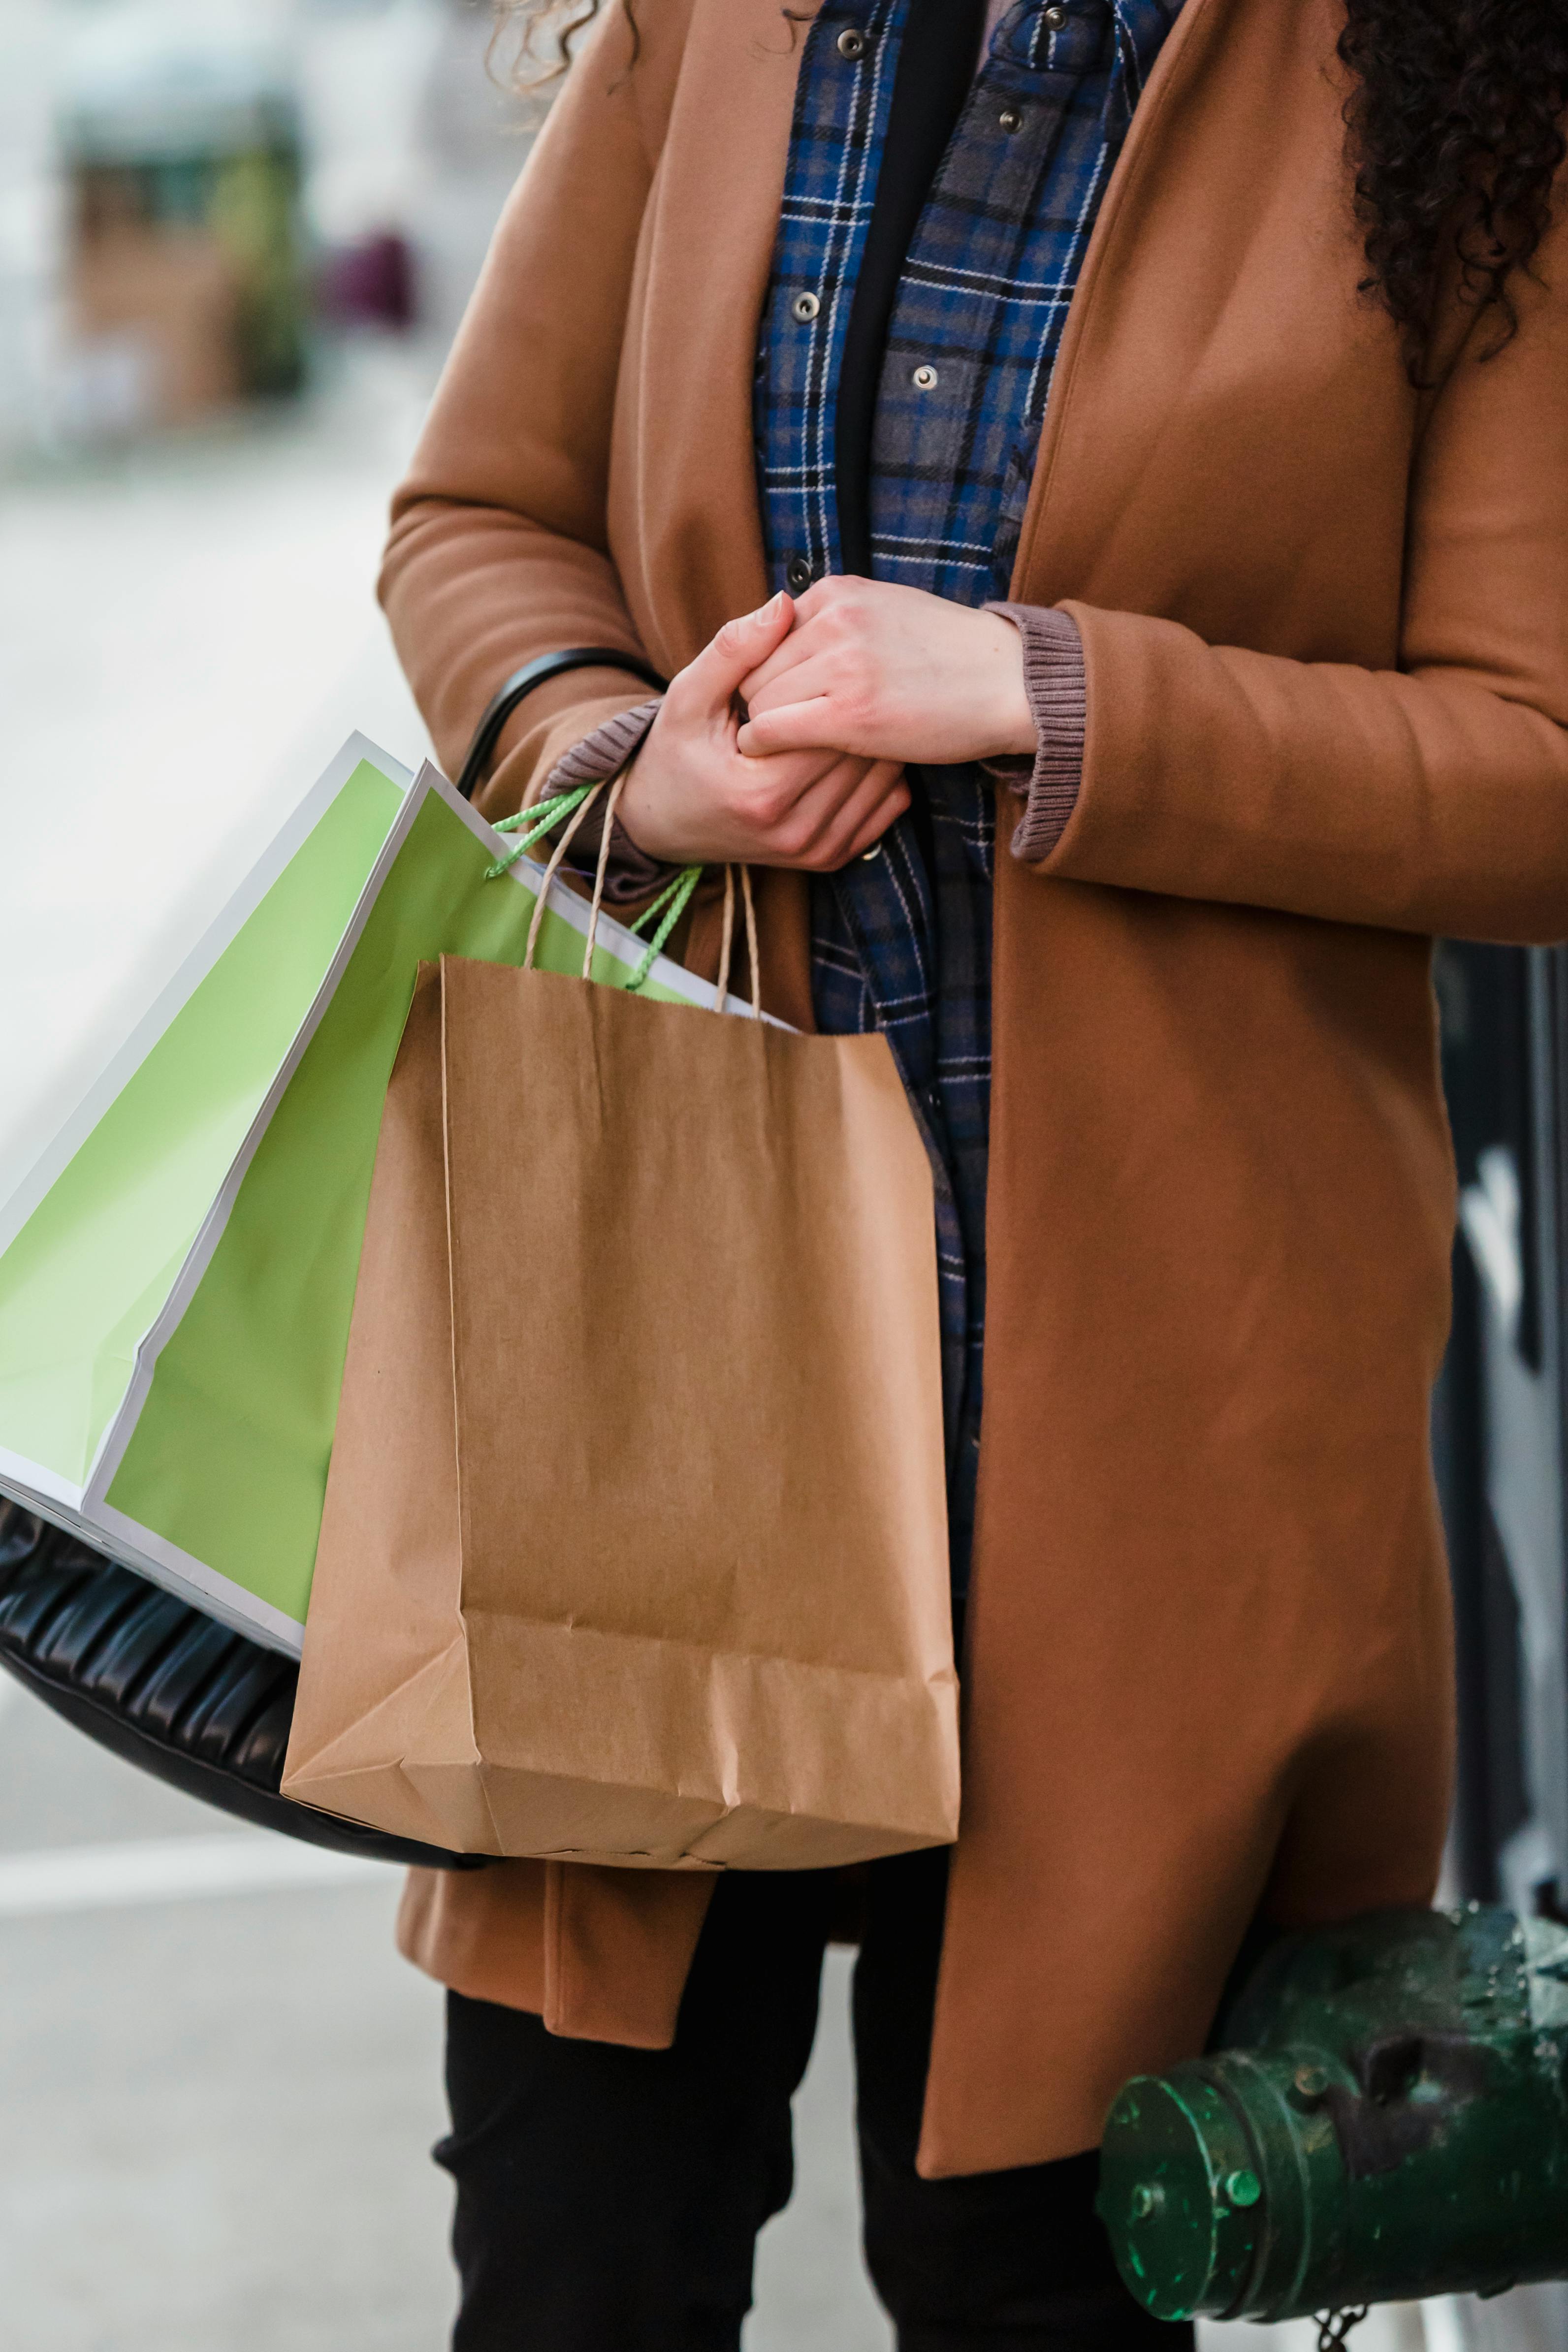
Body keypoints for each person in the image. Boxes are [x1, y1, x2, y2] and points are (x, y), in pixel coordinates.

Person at [378, 0, 1568, 2342]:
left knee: (1026, 2271)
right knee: (573, 2243)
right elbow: (475, 520)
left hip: (1144, 1426)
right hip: (669, 1351)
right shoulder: (718, 25)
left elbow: (1532, 765)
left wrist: (1048, 695)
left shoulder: (1466, 79)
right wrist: (621, 758)